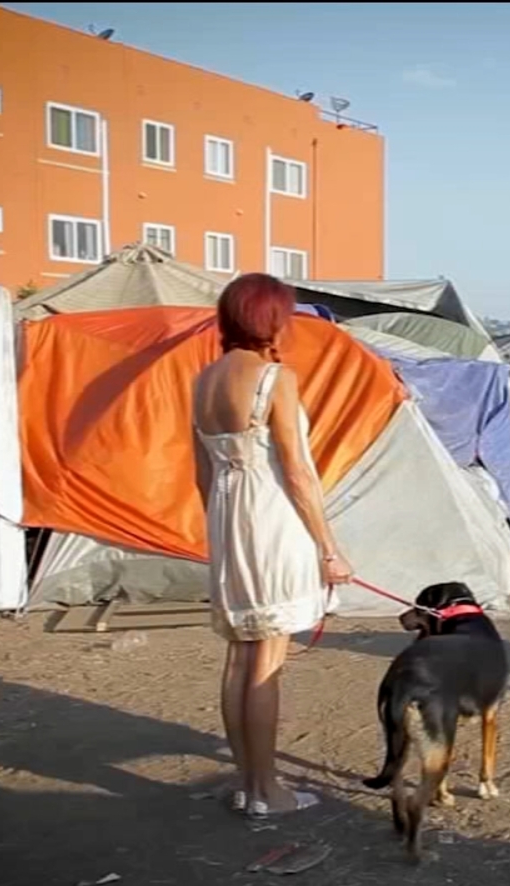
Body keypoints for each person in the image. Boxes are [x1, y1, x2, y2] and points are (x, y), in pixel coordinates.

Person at [191, 272, 354, 818]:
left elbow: (202, 478)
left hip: (227, 518)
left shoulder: (204, 381)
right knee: (268, 657)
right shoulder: (274, 379)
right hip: (272, 516)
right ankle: (269, 791)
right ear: (272, 320)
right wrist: (330, 549)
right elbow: (300, 475)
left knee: (240, 655)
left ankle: (249, 785)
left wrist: (224, 527)